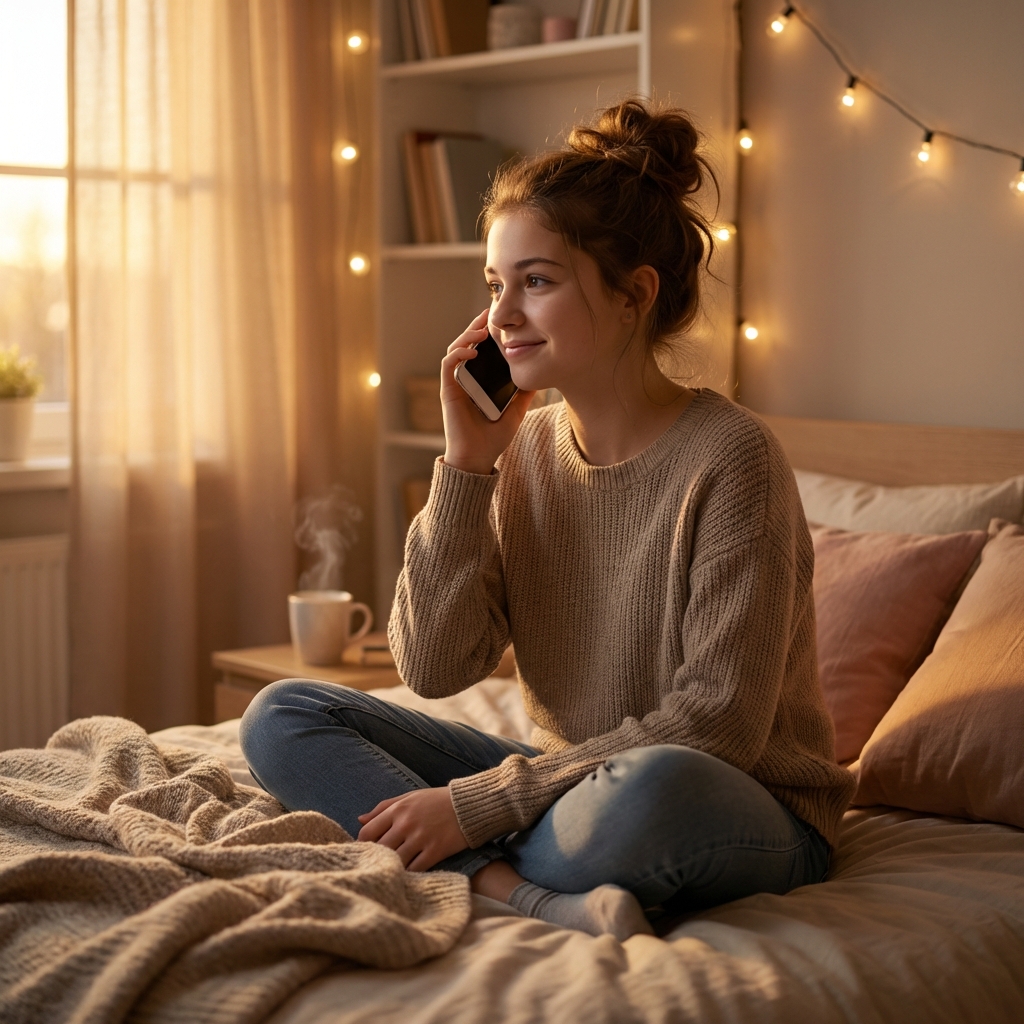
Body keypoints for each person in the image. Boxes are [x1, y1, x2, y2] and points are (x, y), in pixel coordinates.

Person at [240, 99, 855, 941]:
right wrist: (465, 467)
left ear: (635, 294)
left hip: (738, 800)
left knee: (648, 793)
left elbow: (718, 723)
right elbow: (433, 664)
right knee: (285, 716)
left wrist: (474, 805)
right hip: (566, 785)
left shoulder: (733, 457)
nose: (501, 317)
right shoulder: (522, 451)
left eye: (536, 281)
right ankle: (516, 888)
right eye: (495, 285)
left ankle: (495, 858)